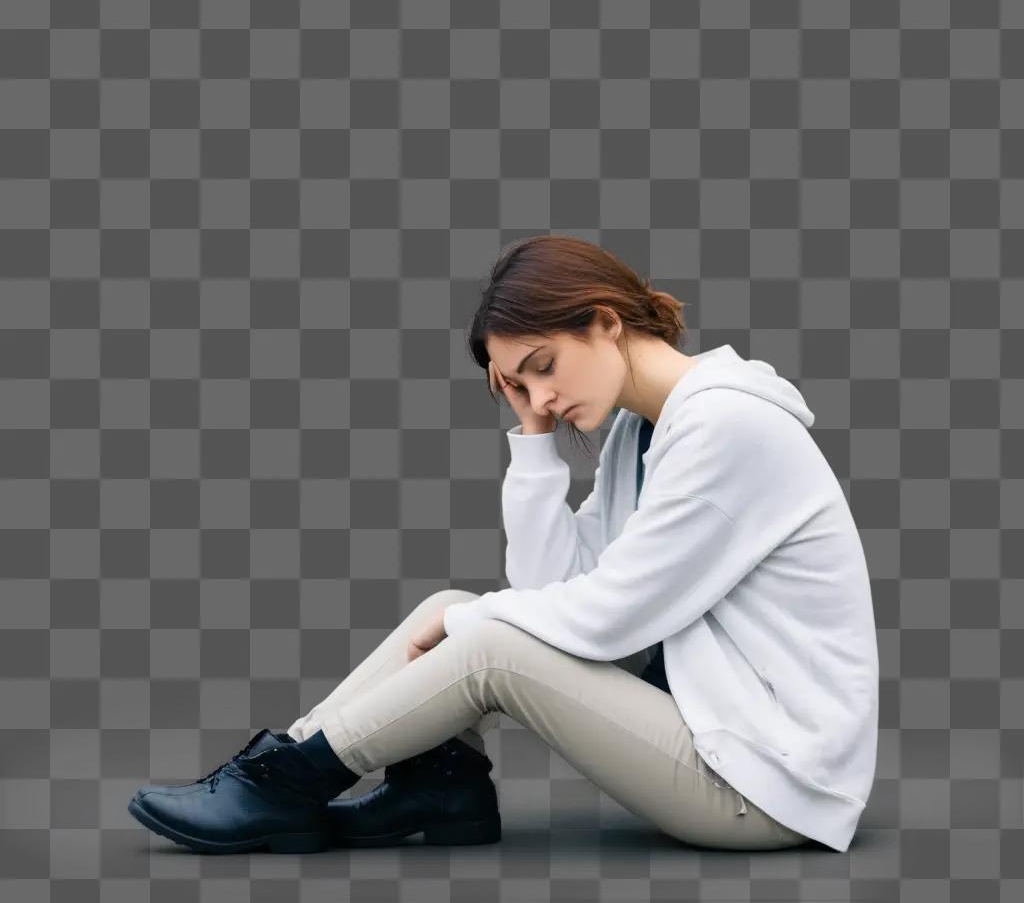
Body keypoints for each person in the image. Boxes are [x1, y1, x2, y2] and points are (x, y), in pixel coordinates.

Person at [128, 235, 876, 854]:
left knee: (486, 640)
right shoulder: (639, 438)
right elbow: (549, 588)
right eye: (518, 384)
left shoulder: (727, 427)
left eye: (543, 367)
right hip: (729, 749)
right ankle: (428, 788)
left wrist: (468, 628)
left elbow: (608, 622)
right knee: (462, 608)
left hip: (773, 787)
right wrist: (534, 439)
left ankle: (285, 786)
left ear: (606, 323)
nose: (542, 396)